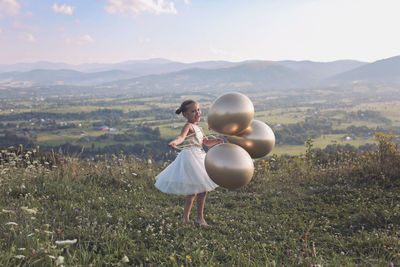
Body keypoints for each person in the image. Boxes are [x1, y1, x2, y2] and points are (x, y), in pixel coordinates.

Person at [155, 100, 224, 226]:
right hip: (191, 158)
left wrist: (217, 140)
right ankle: (185, 218)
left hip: (200, 157)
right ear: (185, 114)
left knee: (203, 190)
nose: (197, 113)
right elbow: (181, 137)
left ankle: (199, 218)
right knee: (193, 190)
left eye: (198, 109)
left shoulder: (199, 128)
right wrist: (175, 142)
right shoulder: (188, 126)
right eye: (193, 111)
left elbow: (205, 142)